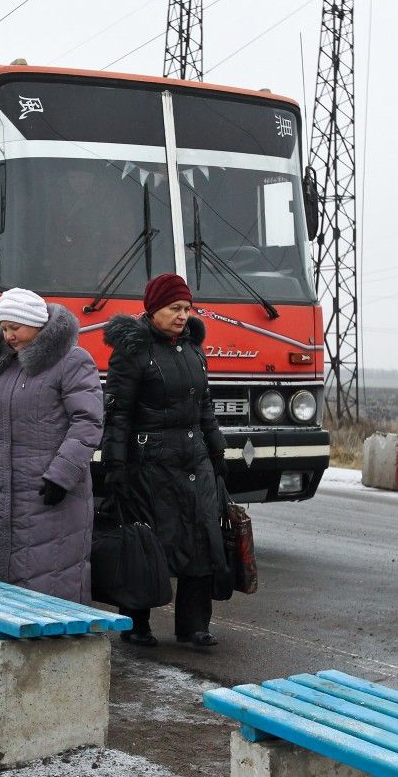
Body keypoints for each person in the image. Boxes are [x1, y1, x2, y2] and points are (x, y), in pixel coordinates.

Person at [101, 273, 227, 647]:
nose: (182, 315)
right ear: (154, 309)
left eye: (187, 309)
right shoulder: (133, 350)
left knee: (203, 539)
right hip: (150, 463)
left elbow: (203, 405)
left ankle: (193, 626)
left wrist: (217, 448)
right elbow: (118, 413)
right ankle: (136, 624)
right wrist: (115, 465)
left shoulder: (192, 348)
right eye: (175, 308)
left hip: (195, 459)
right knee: (147, 543)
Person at [0, 287, 103, 603]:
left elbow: (88, 423)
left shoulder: (73, 361)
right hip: (3, 493)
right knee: (4, 581)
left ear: (37, 324)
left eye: (16, 327)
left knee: (50, 578)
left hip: (50, 494)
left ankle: (54, 644)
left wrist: (61, 475)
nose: (8, 336)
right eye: (5, 328)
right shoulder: (4, 367)